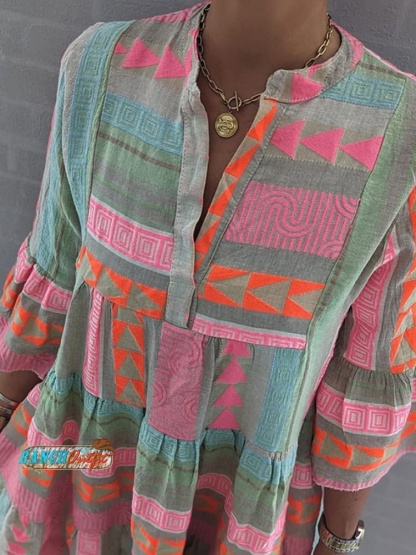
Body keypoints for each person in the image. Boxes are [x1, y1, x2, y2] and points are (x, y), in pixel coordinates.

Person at [0, 0, 415, 553]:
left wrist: (337, 542)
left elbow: (372, 364)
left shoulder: (399, 132)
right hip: (77, 462)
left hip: (235, 511)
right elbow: (53, 274)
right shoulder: (101, 65)